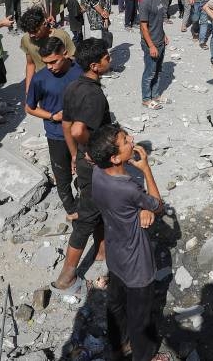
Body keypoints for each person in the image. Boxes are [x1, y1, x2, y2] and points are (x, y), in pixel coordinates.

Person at [86, 124, 167, 361]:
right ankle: (145, 356)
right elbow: (158, 205)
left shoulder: (98, 174)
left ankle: (119, 346)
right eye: (125, 141)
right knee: (140, 317)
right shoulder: (128, 188)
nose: (132, 139)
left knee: (116, 305)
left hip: (115, 254)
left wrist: (141, 209)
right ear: (114, 157)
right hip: (136, 263)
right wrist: (145, 168)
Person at [52, 39, 113, 299]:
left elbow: (67, 125)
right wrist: (92, 151)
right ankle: (66, 276)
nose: (110, 60)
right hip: (94, 165)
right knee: (86, 217)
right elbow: (78, 129)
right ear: (95, 65)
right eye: (106, 58)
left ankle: (101, 251)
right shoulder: (93, 96)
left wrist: (75, 154)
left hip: (84, 159)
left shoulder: (73, 86)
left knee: (99, 210)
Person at [24, 36, 82, 221]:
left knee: (85, 169)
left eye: (53, 61)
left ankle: (87, 200)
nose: (49, 66)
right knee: (62, 174)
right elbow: (29, 108)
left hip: (81, 131)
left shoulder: (80, 71)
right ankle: (72, 211)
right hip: (56, 135)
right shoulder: (40, 79)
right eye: (46, 62)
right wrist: (52, 116)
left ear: (65, 53)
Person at [18, 6, 77, 93]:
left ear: (44, 23)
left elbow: (73, 60)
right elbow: (30, 64)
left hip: (64, 84)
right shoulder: (26, 40)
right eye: (29, 32)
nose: (31, 35)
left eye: (35, 31)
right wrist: (28, 91)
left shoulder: (61, 36)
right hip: (43, 86)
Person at [138, 0, 170, 109]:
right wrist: (151, 46)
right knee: (149, 72)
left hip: (160, 40)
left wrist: (164, 35)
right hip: (151, 43)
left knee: (158, 70)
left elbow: (157, 21)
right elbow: (144, 27)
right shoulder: (145, 2)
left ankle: (156, 95)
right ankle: (146, 99)